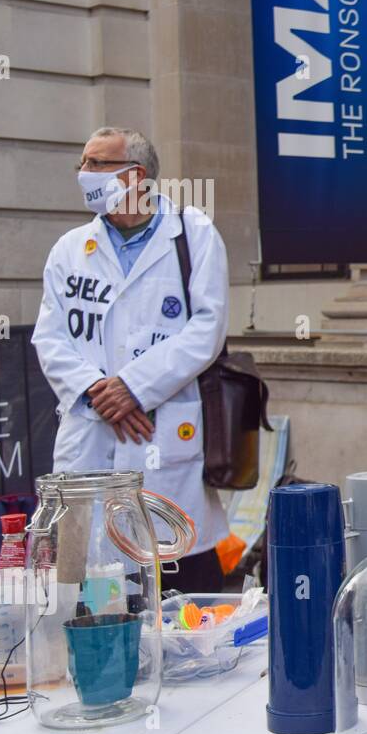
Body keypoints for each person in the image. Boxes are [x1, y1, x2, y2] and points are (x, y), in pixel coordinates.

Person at [32, 127, 231, 593]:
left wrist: (136, 387)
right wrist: (99, 395)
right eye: (81, 163)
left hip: (162, 434)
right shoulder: (69, 249)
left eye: (95, 164)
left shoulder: (194, 233)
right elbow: (50, 336)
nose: (82, 174)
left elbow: (208, 328)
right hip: (90, 433)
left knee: (177, 584)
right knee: (86, 589)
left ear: (134, 175)